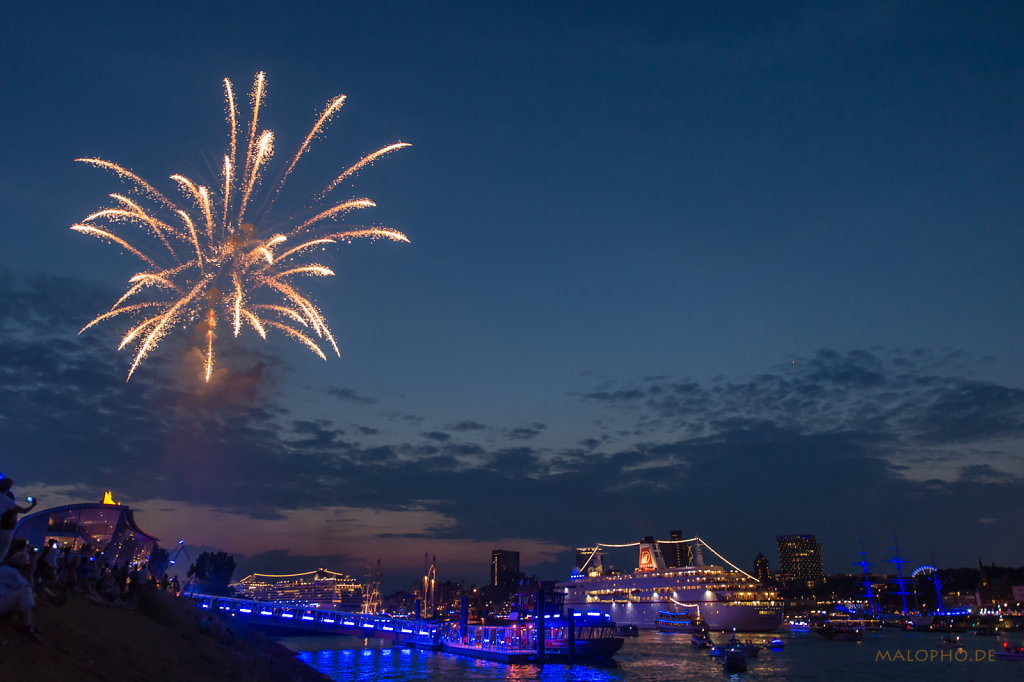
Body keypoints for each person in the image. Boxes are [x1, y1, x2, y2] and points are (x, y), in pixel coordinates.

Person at [0, 478, 37, 560]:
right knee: (3, 552)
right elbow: (24, 511)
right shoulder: (7, 501)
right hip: (5, 530)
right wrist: (33, 505)